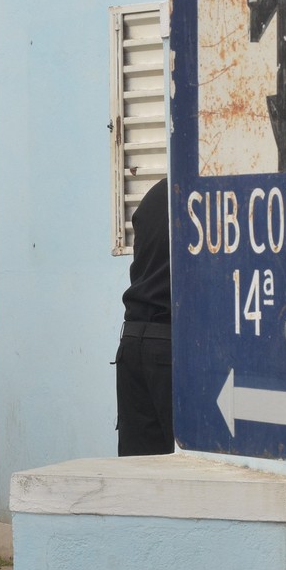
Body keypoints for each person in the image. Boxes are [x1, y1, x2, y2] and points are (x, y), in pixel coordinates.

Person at [116, 178, 174, 455]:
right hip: (171, 346)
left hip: (132, 341)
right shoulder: (204, 197)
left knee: (139, 468)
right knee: (193, 466)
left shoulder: (155, 194)